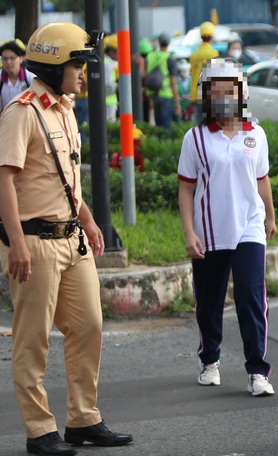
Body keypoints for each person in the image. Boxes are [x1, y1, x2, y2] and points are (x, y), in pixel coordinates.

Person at [0, 22, 133, 456]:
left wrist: (90, 220)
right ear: (54, 65)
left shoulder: (63, 107)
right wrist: (15, 242)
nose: (83, 72)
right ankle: (40, 430)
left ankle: (82, 419)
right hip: (33, 242)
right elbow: (4, 180)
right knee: (32, 340)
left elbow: (65, 178)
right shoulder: (22, 111)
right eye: (77, 64)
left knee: (89, 326)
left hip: (72, 239)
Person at [177, 58, 277, 397]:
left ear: (240, 94)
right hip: (209, 231)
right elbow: (186, 188)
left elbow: (262, 180)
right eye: (214, 92)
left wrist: (270, 217)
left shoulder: (257, 135)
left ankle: (257, 372)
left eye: (228, 92)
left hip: (249, 228)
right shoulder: (196, 139)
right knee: (209, 301)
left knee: (251, 296)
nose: (222, 99)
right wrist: (189, 232)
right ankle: (210, 361)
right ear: (207, 97)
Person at [136, 32, 181, 129]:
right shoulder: (170, 58)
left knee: (158, 125)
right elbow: (173, 82)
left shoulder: (150, 56)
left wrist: (140, 65)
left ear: (158, 43)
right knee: (166, 126)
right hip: (167, 96)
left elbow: (143, 75)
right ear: (168, 43)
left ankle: (158, 142)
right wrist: (177, 102)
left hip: (154, 94)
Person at [189, 21, 219, 120]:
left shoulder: (194, 54)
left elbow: (192, 74)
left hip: (197, 94)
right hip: (210, 95)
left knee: (199, 126)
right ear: (212, 36)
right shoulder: (214, 53)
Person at [0, 39, 36, 115]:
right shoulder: (1, 78)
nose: (8, 62)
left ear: (22, 58)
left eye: (12, 58)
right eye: (5, 58)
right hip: (4, 122)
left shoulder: (31, 78)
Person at [103, 34, 118, 122]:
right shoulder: (108, 64)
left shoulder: (106, 61)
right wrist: (118, 85)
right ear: (112, 51)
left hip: (106, 102)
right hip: (108, 102)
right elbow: (108, 84)